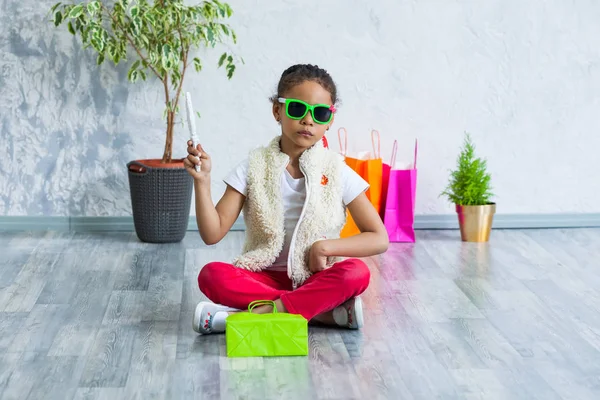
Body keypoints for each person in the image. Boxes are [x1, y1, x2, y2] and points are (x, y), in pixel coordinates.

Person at [184, 64, 389, 335]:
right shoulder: (253, 166)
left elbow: (379, 237)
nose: (308, 120)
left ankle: (261, 314)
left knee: (356, 273)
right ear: (277, 111)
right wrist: (203, 182)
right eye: (296, 109)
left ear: (329, 121)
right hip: (263, 276)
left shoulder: (337, 169)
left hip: (315, 277)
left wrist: (325, 248)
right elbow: (212, 233)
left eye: (320, 113)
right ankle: (318, 313)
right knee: (212, 275)